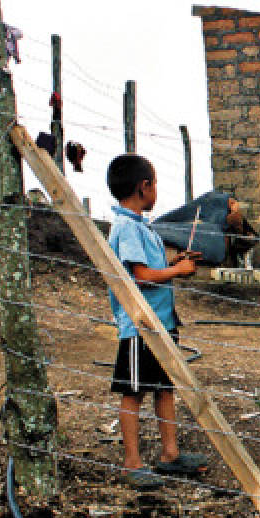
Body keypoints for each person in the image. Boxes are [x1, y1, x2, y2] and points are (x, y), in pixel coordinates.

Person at [106, 153, 207, 489]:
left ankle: (170, 454)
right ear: (143, 186)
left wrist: (174, 262)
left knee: (165, 388)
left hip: (160, 324)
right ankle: (132, 462)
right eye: (155, 185)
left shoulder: (139, 227)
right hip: (139, 328)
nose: (156, 192)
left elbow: (150, 269)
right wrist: (177, 270)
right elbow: (142, 277)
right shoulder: (127, 228)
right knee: (133, 394)